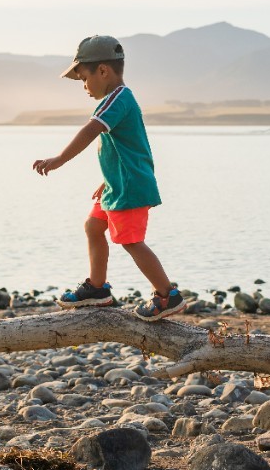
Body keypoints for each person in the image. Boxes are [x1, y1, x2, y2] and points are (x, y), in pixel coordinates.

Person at [32, 34, 185, 320]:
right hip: (119, 184)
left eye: (84, 79)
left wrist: (59, 159)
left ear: (102, 71)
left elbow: (91, 131)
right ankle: (97, 288)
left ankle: (167, 295)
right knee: (93, 226)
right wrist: (108, 179)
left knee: (131, 241)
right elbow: (129, 147)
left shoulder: (118, 99)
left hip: (129, 186)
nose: (84, 87)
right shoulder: (118, 100)